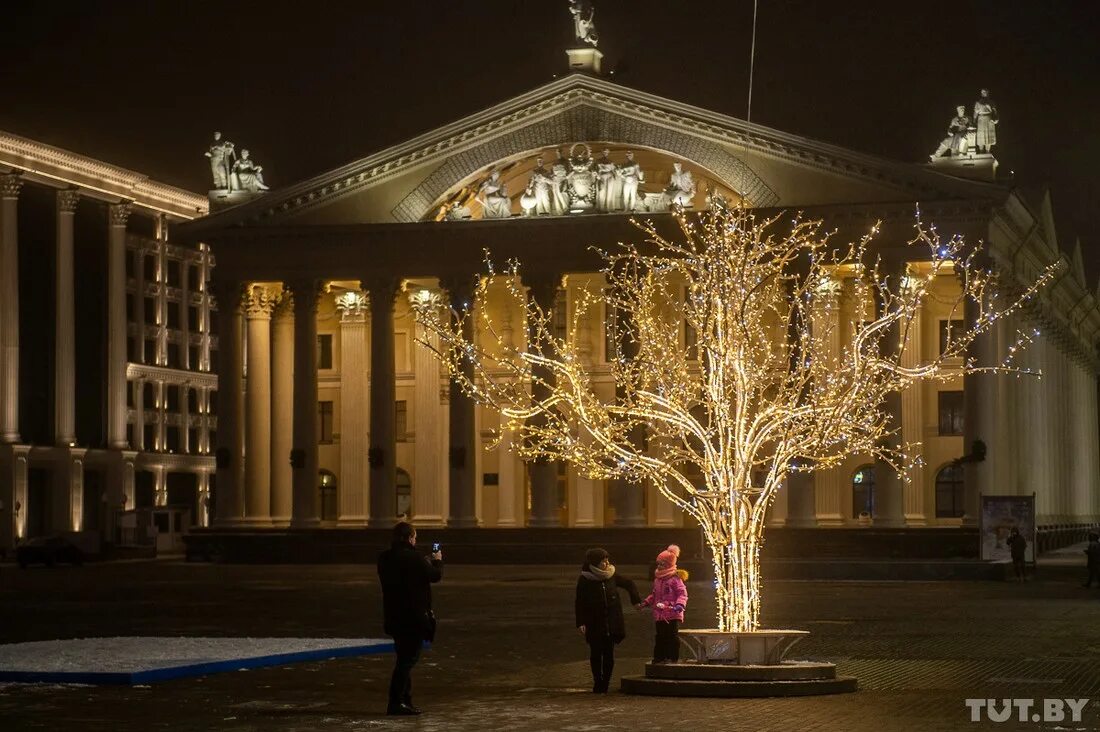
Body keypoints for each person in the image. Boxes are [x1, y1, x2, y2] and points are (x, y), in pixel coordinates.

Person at [377, 522, 442, 716]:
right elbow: (435, 575)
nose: (415, 540)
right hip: (413, 618)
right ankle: (395, 702)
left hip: (394, 616)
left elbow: (404, 572)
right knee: (407, 660)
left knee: (403, 657)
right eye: (414, 537)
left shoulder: (385, 558)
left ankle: (406, 700)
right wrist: (437, 560)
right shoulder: (414, 558)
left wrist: (423, 560)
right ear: (409, 538)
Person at [575, 547, 640, 693]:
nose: (607, 563)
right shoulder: (585, 579)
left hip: (611, 621)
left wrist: (635, 601)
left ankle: (605, 683)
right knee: (596, 653)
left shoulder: (611, 575)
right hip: (594, 622)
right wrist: (581, 622)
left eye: (607, 560)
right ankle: (598, 681)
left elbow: (629, 583)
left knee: (609, 654)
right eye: (603, 561)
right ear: (595, 563)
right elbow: (580, 602)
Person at [639, 546, 689, 664]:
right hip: (660, 614)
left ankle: (672, 657)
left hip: (672, 612)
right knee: (660, 636)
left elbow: (682, 593)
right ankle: (660, 657)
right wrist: (646, 602)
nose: (659, 567)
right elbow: (654, 595)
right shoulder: (658, 580)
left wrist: (680, 605)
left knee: (671, 636)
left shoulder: (675, 579)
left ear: (668, 565)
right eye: (659, 564)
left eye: (662, 564)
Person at [972, 88, 998, 154]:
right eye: (983, 92)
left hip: (989, 120)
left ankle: (988, 151)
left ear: (988, 93)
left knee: (988, 137)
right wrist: (974, 121)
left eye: (985, 92)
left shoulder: (991, 102)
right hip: (981, 120)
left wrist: (996, 119)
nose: (984, 93)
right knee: (981, 136)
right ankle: (981, 151)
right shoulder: (978, 103)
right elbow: (975, 113)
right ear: (981, 94)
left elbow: (995, 112)